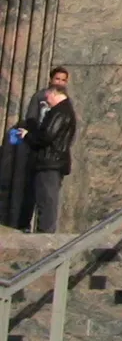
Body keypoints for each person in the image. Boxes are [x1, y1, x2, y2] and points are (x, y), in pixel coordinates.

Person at [3, 66, 68, 228]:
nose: (59, 82)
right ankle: (21, 223)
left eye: (63, 80)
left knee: (47, 199)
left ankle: (43, 230)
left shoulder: (65, 106)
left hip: (51, 157)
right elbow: (32, 121)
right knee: (29, 191)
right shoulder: (40, 97)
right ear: (50, 80)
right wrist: (31, 138)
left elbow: (59, 134)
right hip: (35, 152)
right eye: (57, 79)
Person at [17, 78, 76, 233]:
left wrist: (27, 136)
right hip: (50, 162)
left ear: (55, 93)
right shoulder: (62, 111)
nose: (46, 100)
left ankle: (45, 233)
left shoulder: (60, 112)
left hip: (50, 162)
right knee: (44, 199)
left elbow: (46, 136)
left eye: (48, 96)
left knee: (47, 201)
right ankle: (43, 230)